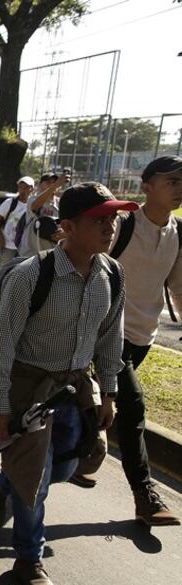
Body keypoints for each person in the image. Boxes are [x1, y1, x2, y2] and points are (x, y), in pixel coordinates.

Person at [0, 182, 130, 585]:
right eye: (99, 220)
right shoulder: (33, 274)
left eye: (114, 219)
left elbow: (109, 340)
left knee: (66, 467)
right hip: (30, 388)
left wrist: (109, 393)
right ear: (66, 226)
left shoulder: (111, 274)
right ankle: (28, 559)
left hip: (74, 389)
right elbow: (3, 344)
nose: (111, 228)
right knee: (39, 478)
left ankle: (2, 486)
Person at [70, 156, 182, 526]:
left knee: (94, 404)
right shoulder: (123, 225)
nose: (179, 188)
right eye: (172, 181)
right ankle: (144, 495)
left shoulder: (177, 233)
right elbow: (84, 258)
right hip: (104, 332)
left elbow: (178, 288)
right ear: (147, 186)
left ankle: (76, 456)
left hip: (143, 337)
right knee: (132, 407)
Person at [0, 176, 35, 287]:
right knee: (1, 269)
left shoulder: (34, 205)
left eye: (26, 187)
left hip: (24, 246)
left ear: (32, 189)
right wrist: (1, 237)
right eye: (21, 187)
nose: (23, 190)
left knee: (19, 271)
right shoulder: (10, 202)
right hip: (8, 244)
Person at [18, 172, 68, 257]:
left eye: (54, 182)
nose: (52, 185)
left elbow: (66, 224)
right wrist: (55, 185)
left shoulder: (61, 203)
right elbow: (35, 206)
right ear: (40, 185)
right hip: (30, 253)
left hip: (51, 254)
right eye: (48, 182)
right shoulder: (32, 199)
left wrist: (64, 233)